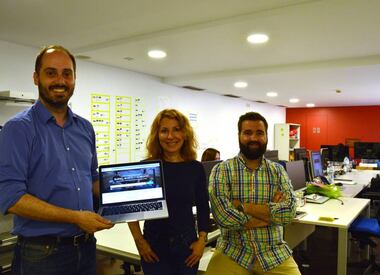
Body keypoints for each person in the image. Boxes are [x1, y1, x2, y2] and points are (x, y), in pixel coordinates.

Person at [0, 45, 113, 275]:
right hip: (42, 255)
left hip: (86, 248)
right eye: (51, 73)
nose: (60, 80)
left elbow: (91, 180)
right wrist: (75, 218)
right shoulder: (18, 129)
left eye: (66, 73)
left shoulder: (85, 128)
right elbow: (11, 198)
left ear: (74, 78)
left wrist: (129, 194)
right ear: (36, 77)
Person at [206, 112, 300, 275]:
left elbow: (288, 214)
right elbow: (223, 218)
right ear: (239, 135)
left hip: (273, 253)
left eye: (259, 133)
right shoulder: (222, 170)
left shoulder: (277, 170)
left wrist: (243, 207)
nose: (253, 138)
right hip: (232, 252)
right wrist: (270, 216)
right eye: (248, 133)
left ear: (266, 136)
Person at [128, 109, 210, 275]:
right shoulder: (147, 167)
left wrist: (202, 241)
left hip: (187, 246)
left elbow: (203, 207)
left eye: (176, 129)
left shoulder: (195, 168)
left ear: (185, 133)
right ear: (157, 135)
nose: (170, 136)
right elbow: (131, 207)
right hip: (153, 246)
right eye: (164, 130)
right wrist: (139, 241)